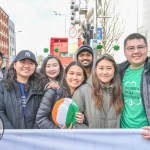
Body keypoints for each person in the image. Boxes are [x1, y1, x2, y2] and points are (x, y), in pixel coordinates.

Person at [72, 54, 123, 128]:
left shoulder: (120, 90)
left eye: (109, 68)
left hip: (114, 138)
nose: (105, 72)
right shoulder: (82, 91)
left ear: (114, 70)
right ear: (95, 70)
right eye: (101, 68)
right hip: (90, 138)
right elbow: (75, 121)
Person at [36, 61, 87, 129]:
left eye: (79, 74)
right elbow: (41, 119)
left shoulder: (86, 95)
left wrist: (83, 119)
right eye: (71, 73)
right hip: (54, 138)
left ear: (83, 78)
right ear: (65, 76)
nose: (75, 77)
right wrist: (59, 131)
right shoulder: (53, 92)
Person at [0, 50, 43, 129]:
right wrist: (14, 134)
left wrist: (33, 134)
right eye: (22, 62)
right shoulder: (3, 86)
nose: (27, 66)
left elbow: (42, 114)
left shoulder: (40, 88)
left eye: (31, 63)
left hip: (34, 138)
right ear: (15, 65)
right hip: (10, 137)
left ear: (35, 67)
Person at [118, 33, 150, 139]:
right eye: (131, 48)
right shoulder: (118, 71)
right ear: (125, 52)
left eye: (140, 47)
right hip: (123, 134)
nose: (136, 51)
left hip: (146, 135)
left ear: (147, 48)